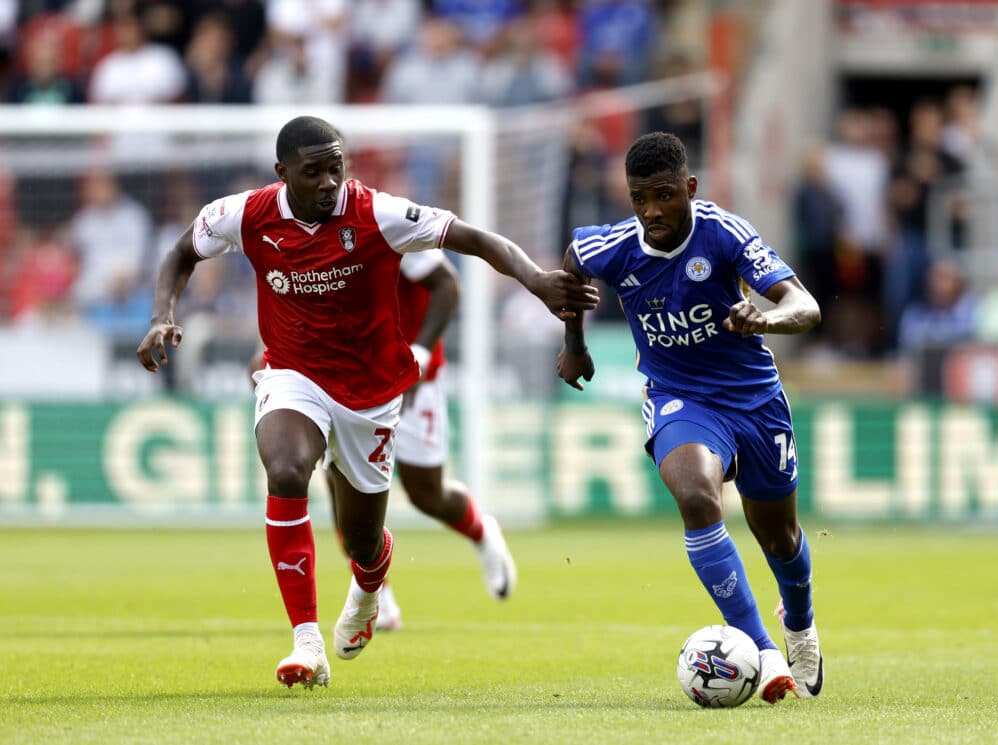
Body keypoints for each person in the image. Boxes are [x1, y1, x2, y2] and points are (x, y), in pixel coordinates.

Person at [136, 115, 598, 690]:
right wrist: (162, 317)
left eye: (337, 168)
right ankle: (306, 643)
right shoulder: (247, 214)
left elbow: (473, 239)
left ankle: (371, 586)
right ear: (283, 174)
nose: (330, 182)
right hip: (293, 373)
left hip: (373, 393)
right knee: (285, 470)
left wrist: (535, 279)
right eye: (315, 173)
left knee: (363, 541)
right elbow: (182, 252)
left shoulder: (377, 213)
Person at [556, 132, 823, 704]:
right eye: (639, 198)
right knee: (697, 497)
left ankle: (797, 626)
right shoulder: (615, 247)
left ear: (690, 188)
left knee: (779, 537)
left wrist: (766, 319)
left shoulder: (724, 233)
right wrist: (574, 342)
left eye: (665, 196)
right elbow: (573, 263)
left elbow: (805, 305)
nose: (652, 211)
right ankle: (765, 651)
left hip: (755, 399)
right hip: (680, 398)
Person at [246, 247, 518, 631]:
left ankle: (480, 531)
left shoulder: (383, 223)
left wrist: (420, 355)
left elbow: (447, 285)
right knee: (338, 479)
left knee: (426, 493)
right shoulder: (300, 234)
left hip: (408, 380)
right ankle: (378, 596)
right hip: (340, 378)